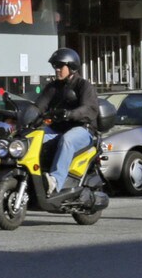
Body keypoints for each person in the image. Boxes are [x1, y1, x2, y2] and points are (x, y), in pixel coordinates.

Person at [34, 47, 102, 195]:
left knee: (67, 140)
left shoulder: (83, 86)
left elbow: (89, 108)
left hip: (83, 129)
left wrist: (70, 114)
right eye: (55, 66)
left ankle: (55, 181)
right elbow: (38, 107)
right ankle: (32, 177)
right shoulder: (53, 87)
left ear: (72, 67)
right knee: (33, 138)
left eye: (60, 66)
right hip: (58, 129)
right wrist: (22, 115)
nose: (57, 69)